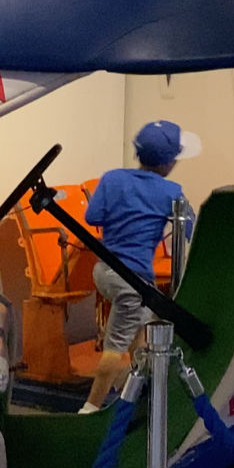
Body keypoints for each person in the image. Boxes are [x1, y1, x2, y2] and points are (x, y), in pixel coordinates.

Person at [77, 120, 199, 413]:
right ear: (170, 162)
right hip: (132, 281)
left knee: (144, 332)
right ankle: (89, 408)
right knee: (115, 347)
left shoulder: (112, 179)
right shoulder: (170, 191)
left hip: (105, 271)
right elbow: (191, 229)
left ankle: (139, 393)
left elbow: (92, 217)